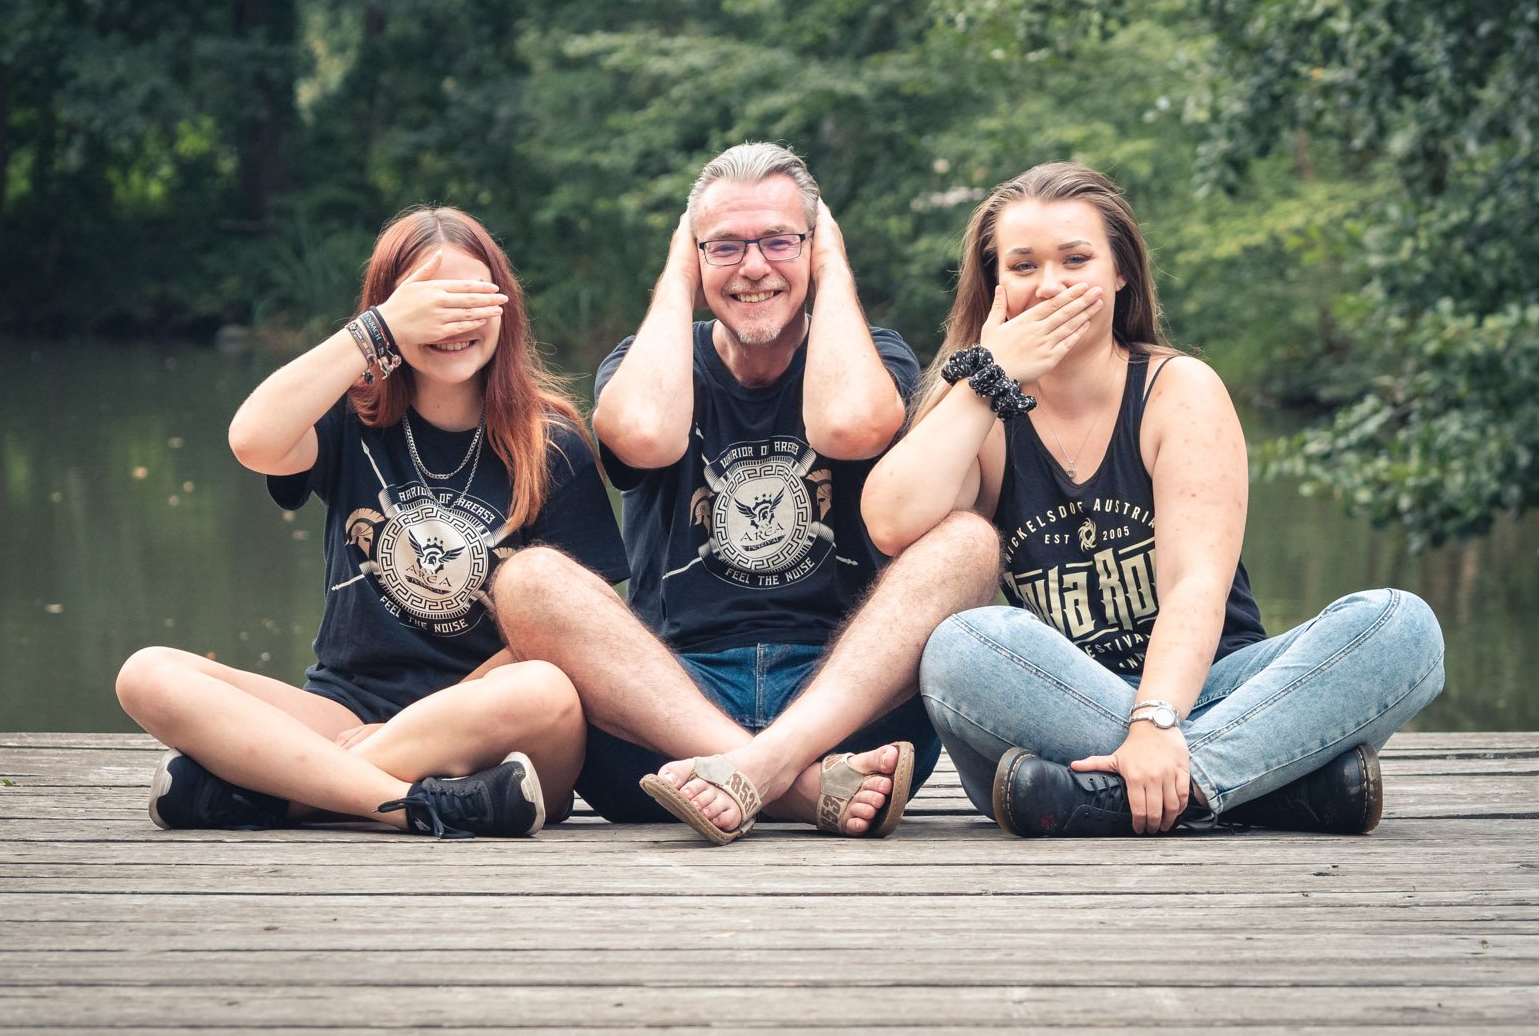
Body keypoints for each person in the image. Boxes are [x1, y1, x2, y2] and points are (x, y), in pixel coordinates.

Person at [864, 162, 1445, 836]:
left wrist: (1157, 723)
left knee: (1402, 627)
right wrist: (988, 375)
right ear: (996, 286)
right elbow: (890, 521)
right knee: (962, 644)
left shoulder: (1178, 391)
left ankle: (1124, 795)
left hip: (1216, 692)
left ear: (1120, 274)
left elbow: (1196, 584)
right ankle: (1267, 784)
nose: (1049, 283)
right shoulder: (984, 413)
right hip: (1050, 704)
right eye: (1023, 266)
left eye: (1075, 259)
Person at [489, 143, 1000, 844]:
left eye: (779, 242)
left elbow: (850, 426)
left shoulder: (876, 357)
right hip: (665, 712)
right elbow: (642, 437)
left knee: (968, 541)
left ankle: (756, 769)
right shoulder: (644, 366)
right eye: (724, 247)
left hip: (845, 707)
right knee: (529, 578)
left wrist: (833, 271)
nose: (754, 267)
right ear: (693, 257)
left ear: (817, 250)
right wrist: (677, 272)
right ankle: (792, 786)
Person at [116, 207, 629, 839]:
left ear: (504, 306)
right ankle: (416, 803)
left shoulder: (549, 444)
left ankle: (281, 794)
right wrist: (376, 332)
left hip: (492, 727)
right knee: (148, 673)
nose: (451, 320)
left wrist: (414, 729)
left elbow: (577, 634)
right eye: (425, 302)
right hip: (344, 710)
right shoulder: (348, 421)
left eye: (469, 297)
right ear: (385, 315)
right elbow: (252, 440)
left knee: (545, 690)